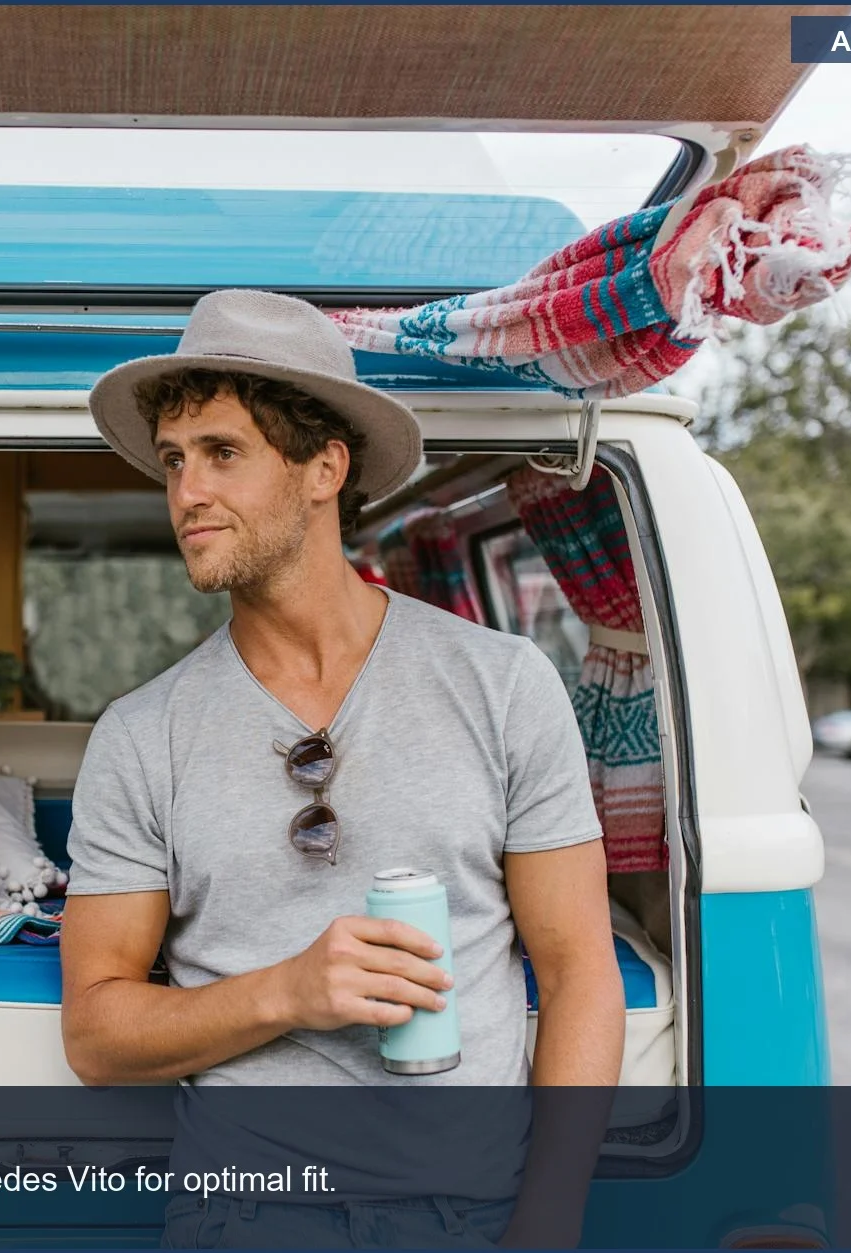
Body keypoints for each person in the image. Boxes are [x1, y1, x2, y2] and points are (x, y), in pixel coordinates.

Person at [60, 289, 625, 1248]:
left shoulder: (502, 684)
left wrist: (550, 1222)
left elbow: (579, 971)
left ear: (325, 467)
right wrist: (290, 990)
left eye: (223, 452)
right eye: (173, 460)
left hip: (473, 1213)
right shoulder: (138, 734)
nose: (186, 491)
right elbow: (97, 1034)